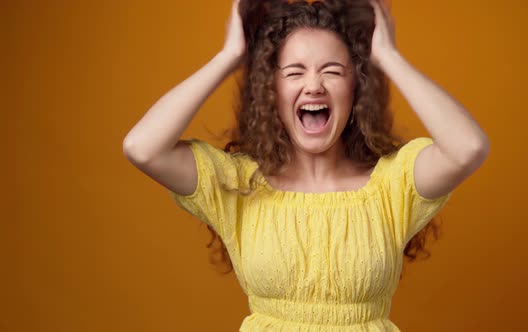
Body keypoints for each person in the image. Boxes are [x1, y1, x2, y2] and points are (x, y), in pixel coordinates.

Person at [123, 0, 490, 330]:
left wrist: (388, 58)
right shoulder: (239, 184)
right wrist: (230, 56)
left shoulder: (391, 185)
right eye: (294, 72)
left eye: (332, 71)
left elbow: (468, 148)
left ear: (355, 89)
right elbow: (143, 147)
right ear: (272, 90)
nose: (313, 85)